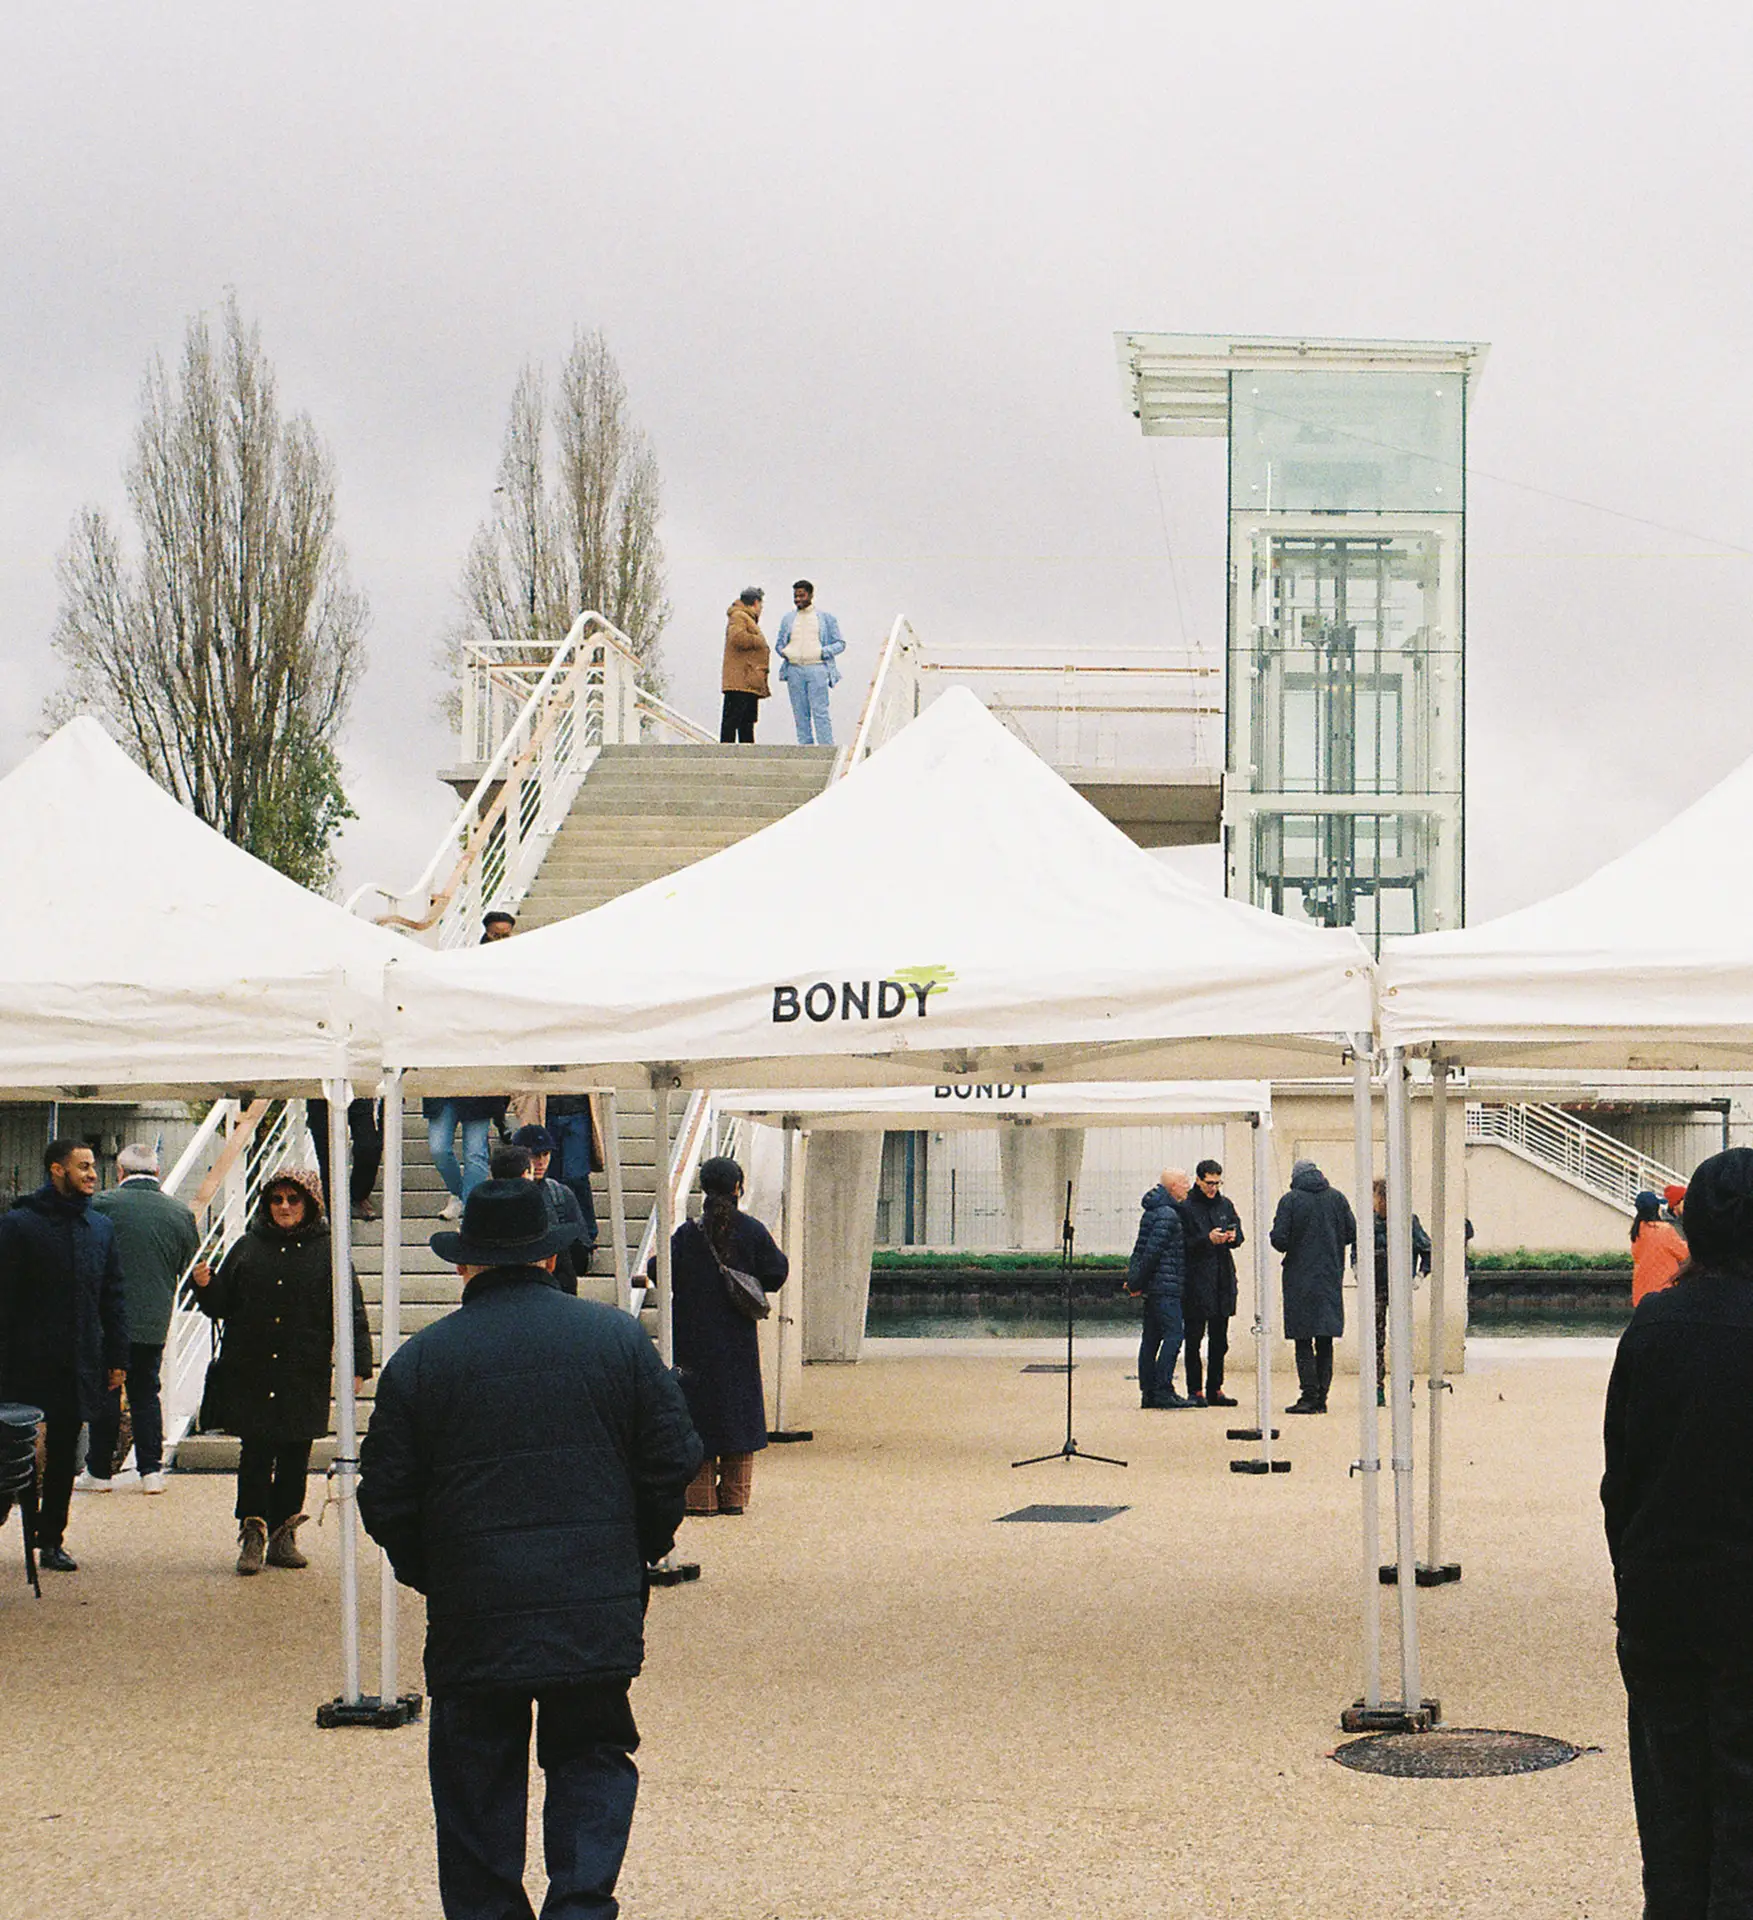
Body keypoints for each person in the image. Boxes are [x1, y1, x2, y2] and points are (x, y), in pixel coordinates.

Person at [358, 1179, 700, 1920]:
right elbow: (672, 1461)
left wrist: (435, 1571)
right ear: (549, 1259)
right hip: (592, 1601)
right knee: (590, 1759)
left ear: (463, 1265)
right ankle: (580, 1907)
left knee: (476, 1779)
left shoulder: (421, 1361)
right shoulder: (616, 1340)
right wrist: (632, 1551)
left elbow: (384, 1497)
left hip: (472, 1605)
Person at [1603, 1147, 1753, 1913]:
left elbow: (1618, 1477)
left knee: (1668, 1806)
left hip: (1661, 1595)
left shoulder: (1653, 1325)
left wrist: (1630, 1579)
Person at [193, 1168, 372, 1575]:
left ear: (309, 1203)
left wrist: (359, 1362)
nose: (285, 1207)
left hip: (302, 1369)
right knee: (254, 1454)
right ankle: (252, 1533)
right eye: (277, 1200)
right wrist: (205, 1286)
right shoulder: (247, 1247)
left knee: (295, 1454)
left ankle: (283, 1534)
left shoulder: (329, 1251)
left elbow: (352, 1311)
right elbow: (221, 1306)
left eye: (293, 1199)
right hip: (251, 1368)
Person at [0, 1140, 128, 1571]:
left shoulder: (100, 1228)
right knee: (11, 1448)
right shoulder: (18, 1225)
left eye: (93, 1166)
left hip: (79, 1360)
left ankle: (51, 1539)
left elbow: (113, 1296)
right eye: (84, 1166)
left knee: (64, 1454)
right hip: (23, 1362)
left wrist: (117, 1357)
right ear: (57, 1170)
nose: (93, 1173)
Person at [649, 1155, 788, 1515]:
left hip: (692, 1338)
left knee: (698, 1414)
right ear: (738, 1188)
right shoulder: (752, 1230)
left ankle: (700, 1499)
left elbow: (657, 1270)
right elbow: (776, 1271)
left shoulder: (687, 1234)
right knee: (737, 1412)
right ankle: (735, 1497)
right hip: (736, 1337)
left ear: (703, 1189)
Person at [82, 1142, 205, 1494]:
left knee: (106, 1392)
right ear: (157, 1173)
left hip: (105, 1321)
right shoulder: (179, 1214)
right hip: (153, 1319)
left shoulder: (101, 1206)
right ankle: (151, 1470)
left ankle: (99, 1471)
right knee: (146, 1393)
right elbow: (188, 1266)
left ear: (119, 1172)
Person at [1271, 1158, 1356, 1416]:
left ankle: (1308, 1395)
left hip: (1299, 1278)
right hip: (1330, 1276)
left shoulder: (1291, 1200)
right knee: (1325, 1338)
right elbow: (1352, 1233)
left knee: (1303, 1338)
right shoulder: (1337, 1198)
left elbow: (1279, 1240)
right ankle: (1322, 1397)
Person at [1176, 1159, 1244, 1409]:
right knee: (1194, 1339)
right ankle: (1195, 1390)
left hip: (1222, 1280)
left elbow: (1240, 1233)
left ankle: (1215, 1388)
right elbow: (1182, 1244)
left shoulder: (1225, 1204)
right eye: (1209, 1183)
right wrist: (1207, 1240)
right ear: (1198, 1180)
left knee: (1220, 1340)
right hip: (1196, 1282)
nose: (1213, 1188)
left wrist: (1233, 1237)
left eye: (1217, 1183)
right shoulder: (1187, 1207)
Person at [1126, 1168, 1195, 1410]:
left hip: (1155, 1287)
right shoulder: (1168, 1215)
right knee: (1174, 1335)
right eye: (1185, 1182)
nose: (1188, 1186)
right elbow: (1153, 1253)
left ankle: (1148, 1392)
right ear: (1173, 1186)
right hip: (1166, 1286)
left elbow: (1140, 1249)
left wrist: (1135, 1281)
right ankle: (1164, 1389)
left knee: (1151, 1339)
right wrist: (1138, 1281)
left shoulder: (1154, 1212)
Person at [1369, 1177, 1433, 1408]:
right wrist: (1358, 1269)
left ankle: (1404, 1390)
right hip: (1375, 1288)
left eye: (1376, 1197)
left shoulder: (1408, 1221)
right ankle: (1376, 1389)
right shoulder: (1369, 1221)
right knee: (1375, 1340)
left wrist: (1420, 1275)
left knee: (1401, 1340)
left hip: (1400, 1289)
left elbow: (1428, 1249)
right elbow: (1357, 1249)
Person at [511, 1124, 594, 1291]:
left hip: (557, 1282)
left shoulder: (560, 1194)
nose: (541, 1162)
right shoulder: (504, 1195)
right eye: (534, 1155)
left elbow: (581, 1245)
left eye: (545, 1154)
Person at [774, 579, 846, 746]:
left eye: (801, 595)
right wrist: (785, 652)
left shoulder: (826, 618)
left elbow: (840, 643)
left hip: (817, 668)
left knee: (820, 710)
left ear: (811, 595)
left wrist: (822, 652)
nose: (798, 599)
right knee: (800, 712)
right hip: (794, 669)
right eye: (795, 596)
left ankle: (826, 747)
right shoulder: (788, 619)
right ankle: (805, 747)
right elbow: (779, 644)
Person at [424, 1096, 505, 1221]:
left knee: (475, 1154)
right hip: (441, 1093)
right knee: (438, 1150)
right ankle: (459, 1195)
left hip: (478, 1095)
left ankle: (470, 1209)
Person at [306, 1096, 384, 1223]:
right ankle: (335, 1220)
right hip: (319, 1095)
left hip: (358, 1090)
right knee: (329, 1161)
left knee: (369, 1147)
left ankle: (358, 1196)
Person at [546, 1093, 603, 1252]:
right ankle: (558, 1234)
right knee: (551, 1178)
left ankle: (586, 1235)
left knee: (576, 1177)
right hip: (546, 1109)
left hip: (578, 1110)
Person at [720, 587, 771, 744]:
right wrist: (759, 641)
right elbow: (737, 638)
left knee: (746, 723)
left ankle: (746, 754)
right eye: (761, 605)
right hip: (740, 680)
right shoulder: (739, 617)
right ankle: (726, 754)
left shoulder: (744, 618)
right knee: (734, 720)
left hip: (748, 681)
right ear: (755, 603)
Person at [1631, 1188, 1689, 1307]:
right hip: (1663, 1294)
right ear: (1656, 1208)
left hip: (1640, 1296)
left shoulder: (1637, 1231)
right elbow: (1685, 1254)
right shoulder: (1664, 1230)